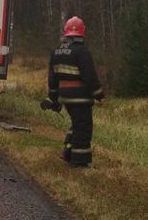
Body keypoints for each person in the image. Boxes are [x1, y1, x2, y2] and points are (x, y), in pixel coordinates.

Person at [42, 16, 104, 168]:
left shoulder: (56, 52)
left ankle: (67, 152)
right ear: (82, 33)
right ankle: (79, 161)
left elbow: (52, 78)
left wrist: (53, 97)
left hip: (65, 96)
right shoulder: (81, 52)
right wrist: (98, 94)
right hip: (81, 97)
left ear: (66, 33)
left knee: (76, 124)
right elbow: (89, 76)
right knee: (83, 127)